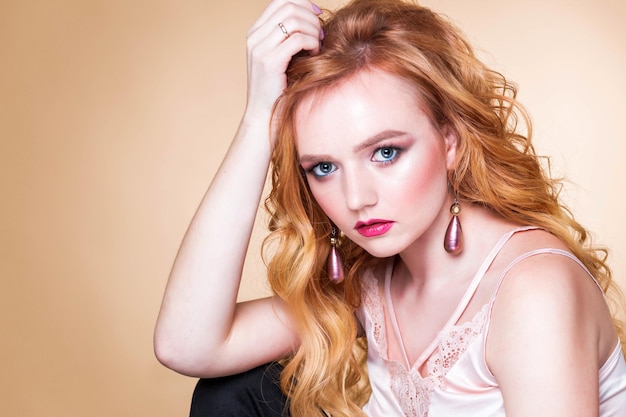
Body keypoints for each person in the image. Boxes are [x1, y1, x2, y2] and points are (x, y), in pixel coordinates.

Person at [154, 0, 626, 416]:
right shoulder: (373, 284)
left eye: (385, 153)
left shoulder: (531, 289)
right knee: (234, 394)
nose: (356, 198)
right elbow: (188, 344)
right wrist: (261, 115)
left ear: (450, 142)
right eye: (323, 167)